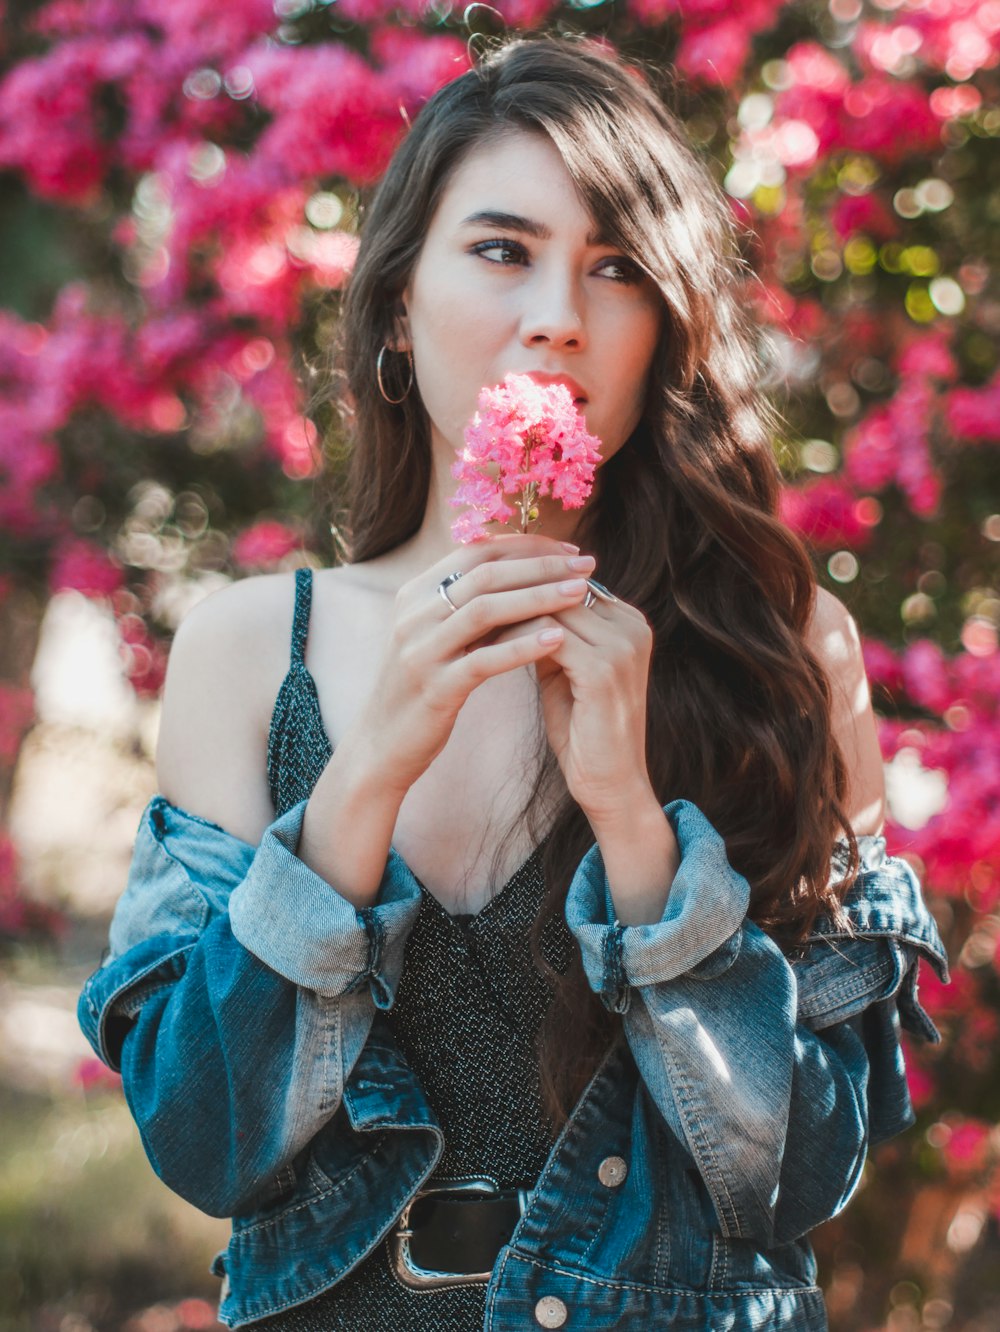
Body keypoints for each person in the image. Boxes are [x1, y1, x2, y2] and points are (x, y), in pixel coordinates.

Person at [78, 34, 947, 1332]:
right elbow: (207, 1146)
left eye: (614, 269)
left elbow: (801, 1173)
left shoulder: (778, 642)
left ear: (662, 333)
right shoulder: (256, 649)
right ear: (396, 305)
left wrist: (635, 826)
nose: (557, 314)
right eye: (501, 249)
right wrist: (365, 772)